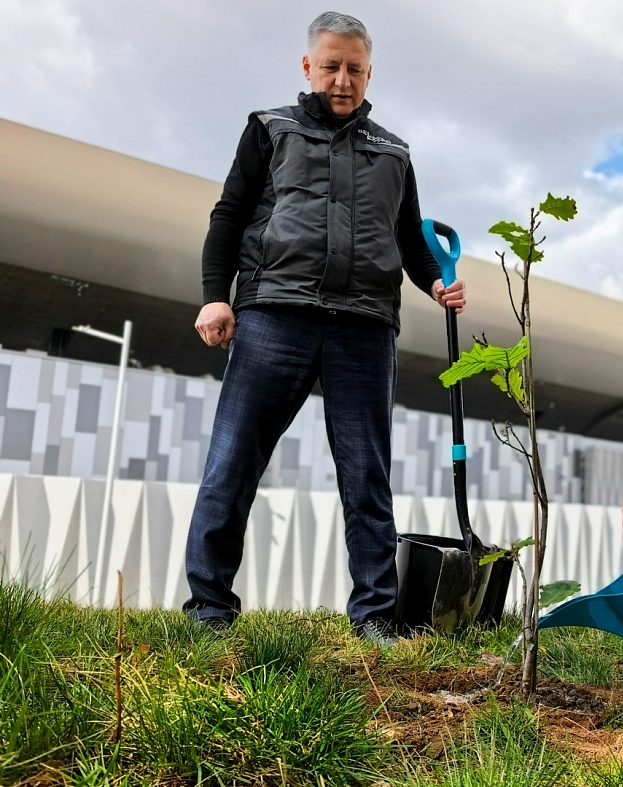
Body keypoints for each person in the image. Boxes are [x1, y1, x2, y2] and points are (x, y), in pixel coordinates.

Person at [182, 11, 465, 648]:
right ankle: (208, 608)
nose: (342, 80)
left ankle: (374, 617)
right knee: (232, 462)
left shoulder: (394, 152)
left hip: (363, 327)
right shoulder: (268, 130)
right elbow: (228, 217)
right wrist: (214, 298)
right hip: (272, 315)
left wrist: (436, 283)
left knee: (367, 475)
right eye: (331, 66)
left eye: (355, 69)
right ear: (307, 67)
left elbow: (411, 240)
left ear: (370, 74)